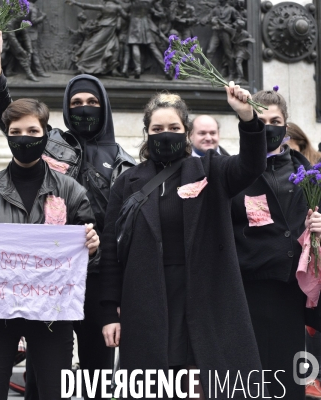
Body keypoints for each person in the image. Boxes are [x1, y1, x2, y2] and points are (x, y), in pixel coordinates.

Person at [0, 24, 135, 399]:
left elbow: (123, 227)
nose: (84, 109)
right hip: (49, 278)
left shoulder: (123, 161)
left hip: (97, 278)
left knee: (97, 372)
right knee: (46, 373)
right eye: (76, 103)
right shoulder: (48, 141)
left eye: (91, 102)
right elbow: (9, 115)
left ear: (105, 106)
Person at [100, 84, 267, 398]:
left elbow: (252, 165)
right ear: (147, 134)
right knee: (153, 386)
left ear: (187, 132)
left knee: (202, 382)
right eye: (158, 128)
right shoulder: (127, 181)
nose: (166, 134)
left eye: (174, 128)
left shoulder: (212, 170)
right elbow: (111, 250)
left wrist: (247, 118)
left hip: (203, 296)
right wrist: (110, 312)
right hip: (147, 299)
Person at [0, 97, 100, 400]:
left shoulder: (70, 191)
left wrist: (92, 249)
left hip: (52, 315)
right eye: (17, 131)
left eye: (33, 131)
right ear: (7, 135)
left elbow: (87, 264)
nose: (25, 138)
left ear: (45, 134)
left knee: (53, 392)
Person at [231, 89, 319, 398]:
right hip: (247, 294)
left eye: (276, 120)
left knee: (289, 385)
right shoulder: (234, 174)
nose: (269, 127)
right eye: (261, 119)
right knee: (249, 386)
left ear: (285, 125)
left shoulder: (309, 176)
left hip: (291, 296)